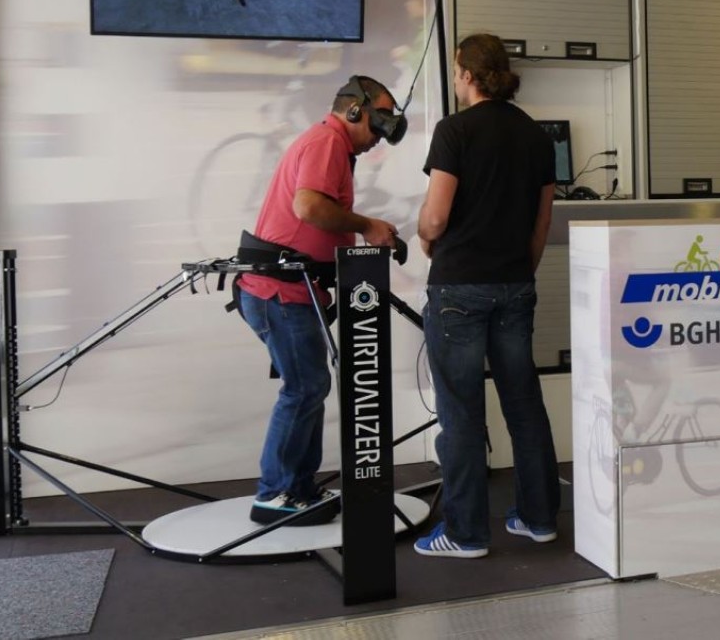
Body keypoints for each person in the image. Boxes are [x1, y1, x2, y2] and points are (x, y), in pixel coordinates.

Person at [413, 33, 560, 559]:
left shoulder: (454, 130)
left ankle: (466, 534)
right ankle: (539, 519)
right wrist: (520, 273)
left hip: (458, 287)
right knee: (524, 405)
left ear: (468, 75)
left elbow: (435, 217)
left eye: (457, 71)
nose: (455, 79)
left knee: (461, 413)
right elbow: (542, 223)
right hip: (515, 285)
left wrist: (424, 236)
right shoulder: (537, 137)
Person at [237, 75, 404, 526]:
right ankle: (275, 494)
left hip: (292, 291)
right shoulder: (327, 142)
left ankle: (297, 487)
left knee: (310, 386)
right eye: (380, 119)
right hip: (281, 292)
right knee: (305, 387)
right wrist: (367, 225)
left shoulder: (331, 145)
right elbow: (308, 207)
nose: (383, 132)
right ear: (354, 110)